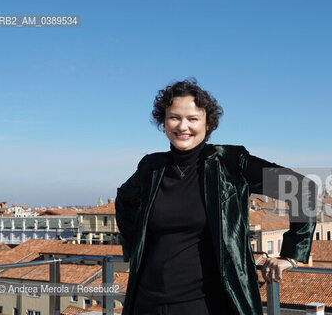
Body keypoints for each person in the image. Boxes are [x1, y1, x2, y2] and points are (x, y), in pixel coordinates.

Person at [115, 79, 316, 315]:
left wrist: (291, 255)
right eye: (174, 117)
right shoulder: (151, 166)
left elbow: (302, 188)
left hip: (207, 304)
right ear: (164, 122)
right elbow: (124, 201)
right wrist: (133, 247)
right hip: (147, 301)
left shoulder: (231, 162)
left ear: (207, 123)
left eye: (192, 119)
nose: (183, 126)